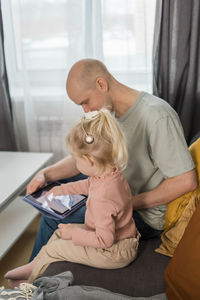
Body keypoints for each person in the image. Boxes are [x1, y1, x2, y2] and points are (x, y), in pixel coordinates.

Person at [27, 58, 197, 260]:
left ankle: (29, 287)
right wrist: (44, 174)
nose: (86, 111)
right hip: (113, 190)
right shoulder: (108, 115)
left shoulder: (157, 116)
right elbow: (84, 157)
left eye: (85, 102)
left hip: (143, 215)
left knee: (51, 219)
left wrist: (125, 203)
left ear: (101, 84)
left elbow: (186, 181)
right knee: (56, 191)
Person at [5, 108, 140, 288]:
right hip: (118, 239)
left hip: (114, 251)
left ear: (88, 160)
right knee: (58, 232)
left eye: (76, 160)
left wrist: (74, 234)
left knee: (57, 247)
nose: (75, 164)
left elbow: (104, 240)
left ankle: (31, 282)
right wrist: (61, 190)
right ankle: (33, 265)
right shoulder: (111, 174)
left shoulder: (103, 199)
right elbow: (87, 185)